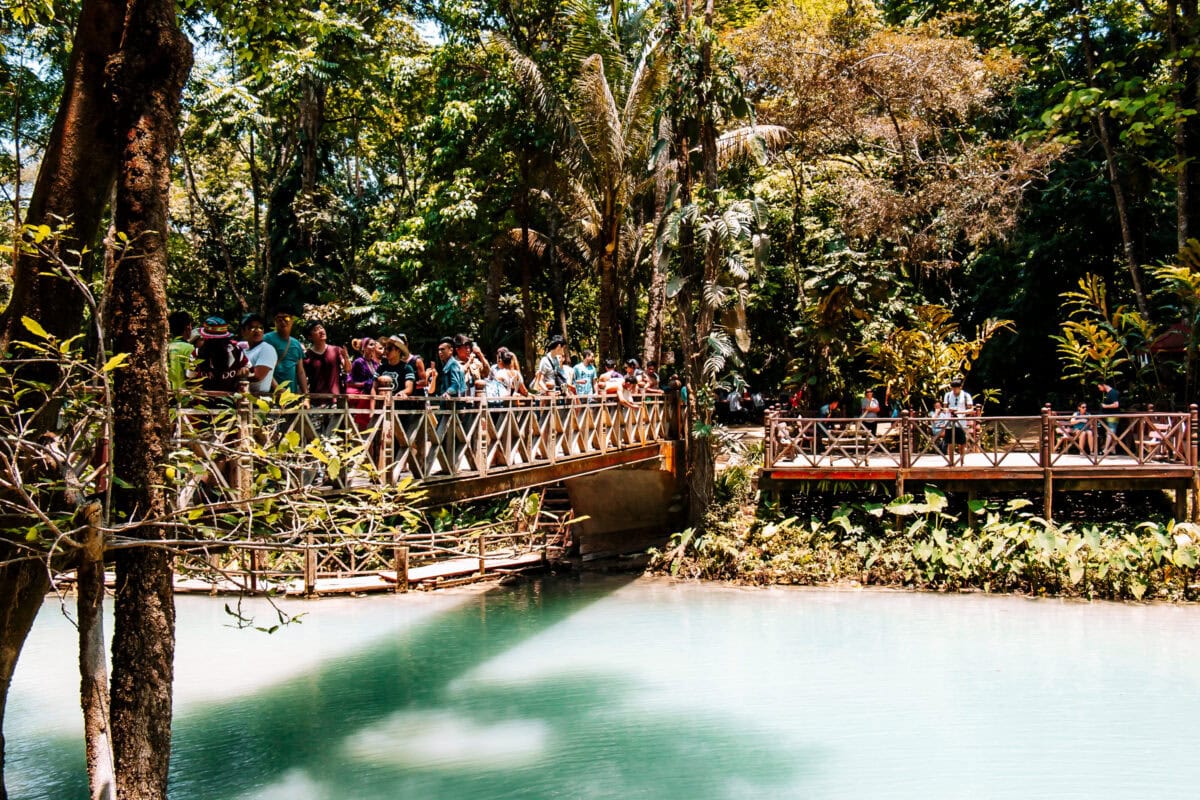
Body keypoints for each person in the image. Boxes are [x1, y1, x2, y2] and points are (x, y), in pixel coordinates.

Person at [189, 316, 248, 395]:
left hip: (229, 400)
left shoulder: (237, 351)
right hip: (205, 401)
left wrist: (244, 370)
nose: (216, 343)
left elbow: (250, 371)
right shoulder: (196, 354)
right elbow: (190, 378)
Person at [263, 308, 308, 394]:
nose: (283, 322)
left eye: (286, 318)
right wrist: (278, 389)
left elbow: (300, 372)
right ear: (275, 322)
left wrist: (306, 395)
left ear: (292, 320)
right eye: (279, 319)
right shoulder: (266, 339)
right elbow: (264, 369)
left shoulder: (296, 343)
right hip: (270, 394)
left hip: (291, 395)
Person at [302, 321, 350, 403]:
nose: (321, 331)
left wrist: (346, 357)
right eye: (316, 329)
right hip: (316, 401)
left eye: (321, 328)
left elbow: (348, 369)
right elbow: (302, 376)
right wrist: (306, 398)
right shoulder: (307, 356)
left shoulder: (336, 350)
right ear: (310, 337)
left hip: (335, 400)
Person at [241, 313, 278, 396]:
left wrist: (233, 376)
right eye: (251, 327)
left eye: (260, 327)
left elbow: (258, 376)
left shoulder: (266, 349)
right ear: (243, 332)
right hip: (243, 396)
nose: (257, 330)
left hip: (259, 399)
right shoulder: (243, 349)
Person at [942, 378, 974, 466]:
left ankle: (962, 462)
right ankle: (951, 462)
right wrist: (949, 410)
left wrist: (960, 412)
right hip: (950, 421)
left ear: (960, 387)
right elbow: (944, 408)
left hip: (961, 422)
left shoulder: (966, 395)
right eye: (953, 388)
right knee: (950, 443)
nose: (954, 390)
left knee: (962, 443)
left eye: (956, 388)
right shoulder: (947, 395)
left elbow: (971, 409)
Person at [1098, 381, 1120, 454]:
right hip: (1109, 416)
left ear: (1103, 385)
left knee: (1110, 432)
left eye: (1099, 387)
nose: (1099, 389)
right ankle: (1113, 449)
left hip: (1113, 416)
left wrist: (1105, 406)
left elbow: (1116, 405)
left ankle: (1106, 449)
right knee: (1112, 433)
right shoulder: (1108, 393)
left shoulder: (1112, 393)